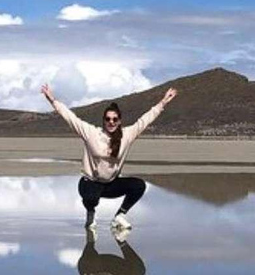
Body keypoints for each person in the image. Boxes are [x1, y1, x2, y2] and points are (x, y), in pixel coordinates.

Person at [41, 83, 178, 232]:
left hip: (110, 185)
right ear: (104, 120)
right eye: (108, 119)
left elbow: (145, 120)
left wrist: (163, 102)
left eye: (114, 119)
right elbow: (70, 117)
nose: (111, 122)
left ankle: (119, 216)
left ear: (119, 121)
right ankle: (91, 213)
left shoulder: (127, 135)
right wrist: (52, 100)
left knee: (139, 185)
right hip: (90, 183)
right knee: (91, 198)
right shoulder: (91, 133)